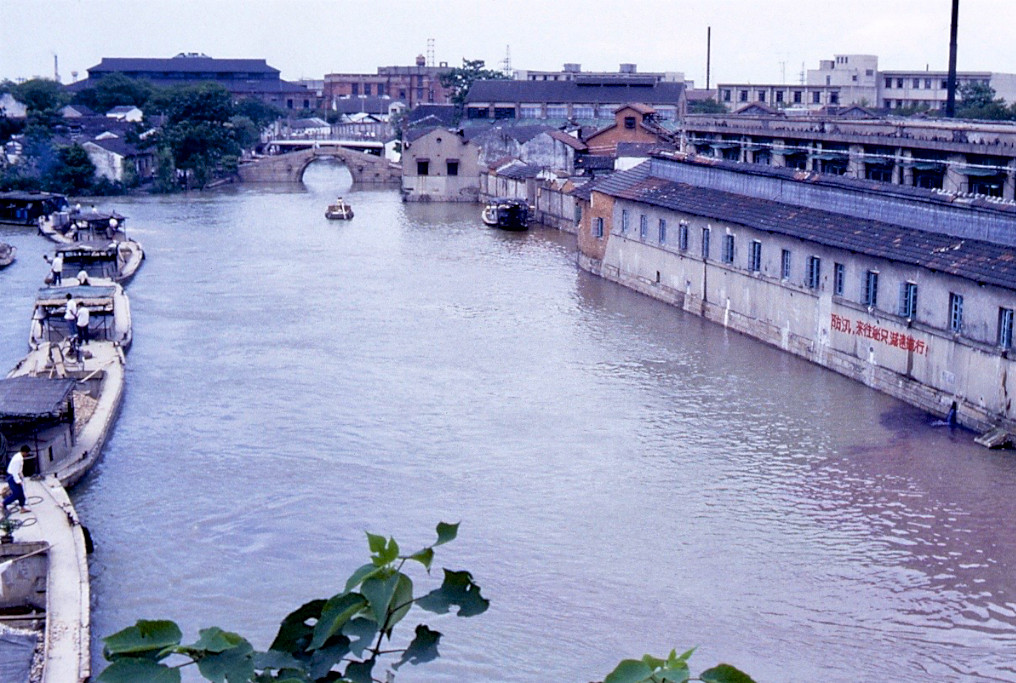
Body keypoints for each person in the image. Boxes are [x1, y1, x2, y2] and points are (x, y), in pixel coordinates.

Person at [2, 446, 30, 514]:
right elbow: (14, 472)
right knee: (16, 493)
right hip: (12, 477)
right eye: (27, 453)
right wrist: (18, 481)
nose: (27, 455)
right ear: (24, 452)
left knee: (21, 493)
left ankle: (22, 507)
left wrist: (21, 477)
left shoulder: (19, 457)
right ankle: (4, 503)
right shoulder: (18, 459)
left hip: (15, 476)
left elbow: (19, 469)